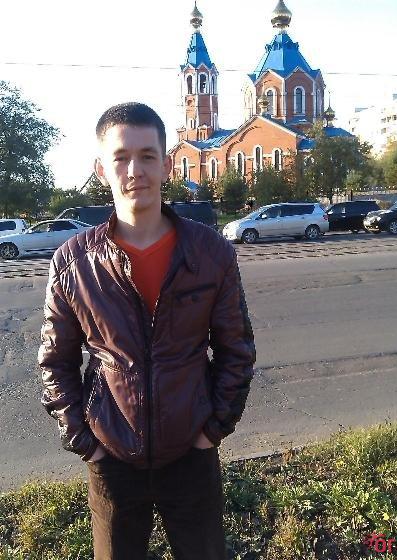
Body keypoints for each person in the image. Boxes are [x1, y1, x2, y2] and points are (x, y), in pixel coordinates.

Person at [39, 102, 255, 560]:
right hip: (112, 458)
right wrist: (86, 443)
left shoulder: (211, 253)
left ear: (167, 164)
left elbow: (236, 350)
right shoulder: (74, 262)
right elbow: (56, 363)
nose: (135, 170)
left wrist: (212, 430)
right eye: (121, 157)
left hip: (191, 455)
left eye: (147, 156)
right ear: (102, 169)